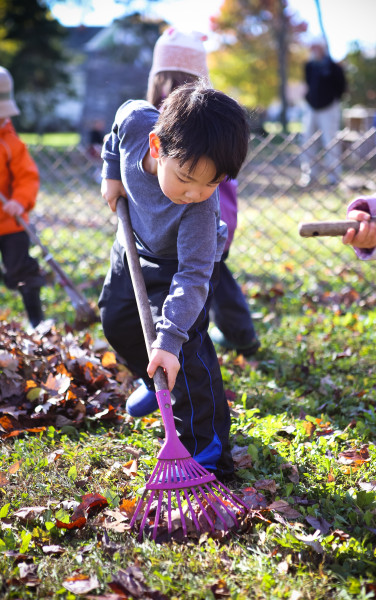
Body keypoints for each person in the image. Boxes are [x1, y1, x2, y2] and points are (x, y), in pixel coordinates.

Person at [99, 81, 249, 479]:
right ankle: (157, 387)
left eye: (212, 183)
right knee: (117, 322)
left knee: (186, 353)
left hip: (182, 268)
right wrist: (112, 172)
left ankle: (208, 453)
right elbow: (118, 124)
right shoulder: (137, 125)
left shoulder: (200, 210)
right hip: (132, 246)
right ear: (155, 147)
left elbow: (194, 276)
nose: (196, 193)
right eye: (186, 179)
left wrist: (168, 339)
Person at [147, 27, 260, 357]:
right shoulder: (174, 125)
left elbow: (222, 183)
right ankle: (240, 335)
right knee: (214, 279)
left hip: (210, 224)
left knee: (210, 279)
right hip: (191, 225)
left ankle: (238, 336)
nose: (170, 90)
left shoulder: (200, 127)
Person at [0, 66, 44, 328]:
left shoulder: (11, 143)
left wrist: (20, 200)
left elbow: (28, 177)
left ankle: (36, 319)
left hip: (10, 220)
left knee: (22, 270)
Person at [299, 37, 347, 187]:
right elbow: (307, 84)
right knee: (307, 141)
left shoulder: (333, 66)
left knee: (330, 142)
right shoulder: (309, 66)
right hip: (311, 107)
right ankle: (309, 175)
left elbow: (342, 87)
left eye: (316, 47)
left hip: (329, 108)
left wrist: (332, 99)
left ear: (322, 48)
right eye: (311, 47)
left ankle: (334, 177)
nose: (313, 50)